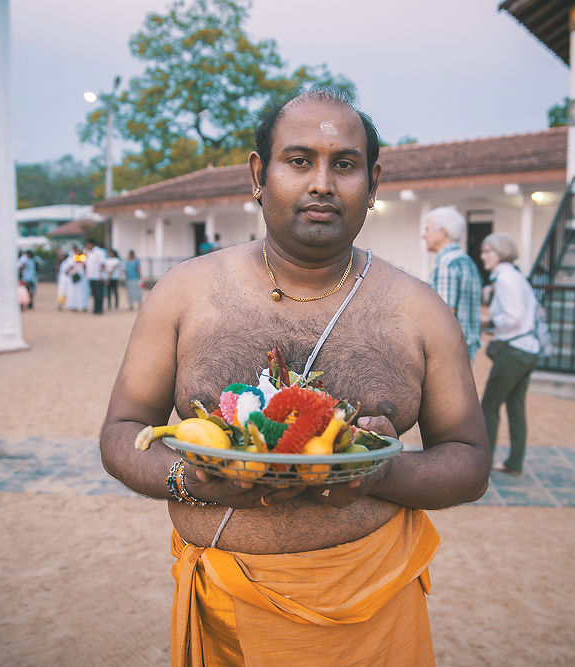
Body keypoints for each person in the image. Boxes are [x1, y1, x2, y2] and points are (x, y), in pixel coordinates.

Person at [100, 89, 490, 665]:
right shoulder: (185, 293)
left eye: (345, 164)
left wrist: (381, 474)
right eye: (299, 160)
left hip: (370, 613)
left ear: (373, 181)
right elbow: (122, 431)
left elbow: (469, 458)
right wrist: (189, 480)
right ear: (259, 174)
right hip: (223, 615)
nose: (322, 184)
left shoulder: (419, 310)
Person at [479, 233, 540, 475]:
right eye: (483, 251)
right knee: (515, 406)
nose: (484, 256)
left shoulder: (505, 279)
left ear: (501, 253)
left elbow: (513, 316)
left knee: (489, 405)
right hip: (528, 349)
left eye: (489, 252)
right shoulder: (516, 276)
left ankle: (484, 462)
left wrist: (489, 320)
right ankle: (514, 462)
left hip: (514, 351)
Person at [422, 205, 483, 360]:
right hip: (467, 346)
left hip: (451, 351)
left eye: (427, 229)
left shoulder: (447, 264)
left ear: (442, 232)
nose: (424, 235)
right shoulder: (467, 261)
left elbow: (444, 314)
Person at [84, 239, 107, 315]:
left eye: (88, 244)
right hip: (91, 276)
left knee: (99, 293)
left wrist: (100, 275)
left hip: (98, 276)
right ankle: (95, 308)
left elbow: (102, 264)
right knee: (94, 294)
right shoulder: (87, 252)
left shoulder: (99, 252)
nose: (87, 246)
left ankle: (99, 309)